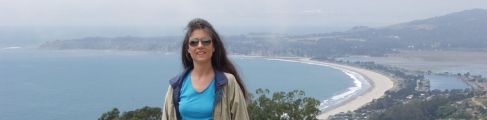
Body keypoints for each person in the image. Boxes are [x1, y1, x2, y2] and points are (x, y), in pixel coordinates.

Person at [162, 18, 249, 120]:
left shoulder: (228, 83)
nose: (200, 46)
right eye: (194, 42)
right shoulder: (176, 86)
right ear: (188, 49)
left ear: (214, 47)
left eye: (206, 41)